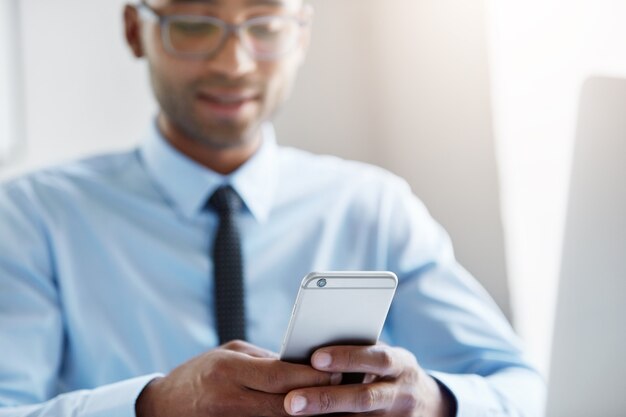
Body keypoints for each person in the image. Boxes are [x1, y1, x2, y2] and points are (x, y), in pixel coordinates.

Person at [0, 0, 545, 416]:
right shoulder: (31, 217)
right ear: (134, 29)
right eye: (193, 24)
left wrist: (430, 400)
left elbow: (522, 389)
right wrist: (152, 405)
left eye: (265, 25)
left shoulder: (373, 207)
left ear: (302, 34)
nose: (234, 63)